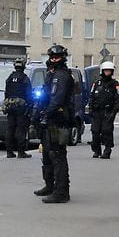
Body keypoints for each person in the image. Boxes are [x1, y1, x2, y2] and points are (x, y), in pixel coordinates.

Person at [34, 44, 76, 203]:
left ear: (62, 58)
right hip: (50, 117)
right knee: (47, 153)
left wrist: (46, 114)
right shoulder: (51, 74)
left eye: (56, 57)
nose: (53, 59)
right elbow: (45, 95)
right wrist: (37, 112)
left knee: (57, 155)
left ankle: (61, 192)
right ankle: (50, 185)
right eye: (51, 57)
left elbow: (56, 99)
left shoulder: (61, 75)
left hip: (58, 119)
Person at [88, 61, 119, 159]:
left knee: (107, 131)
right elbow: (91, 96)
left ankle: (107, 150)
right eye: (106, 70)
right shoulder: (97, 83)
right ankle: (96, 150)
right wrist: (90, 109)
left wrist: (113, 112)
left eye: (109, 71)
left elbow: (118, 100)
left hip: (108, 112)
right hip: (97, 111)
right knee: (95, 131)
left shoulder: (115, 84)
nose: (107, 72)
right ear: (102, 71)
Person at [3, 58, 33, 158]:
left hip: (10, 106)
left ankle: (9, 152)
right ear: (24, 66)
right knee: (21, 129)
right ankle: (21, 152)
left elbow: (6, 92)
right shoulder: (24, 78)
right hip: (21, 107)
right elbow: (29, 94)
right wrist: (30, 106)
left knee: (10, 129)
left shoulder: (10, 77)